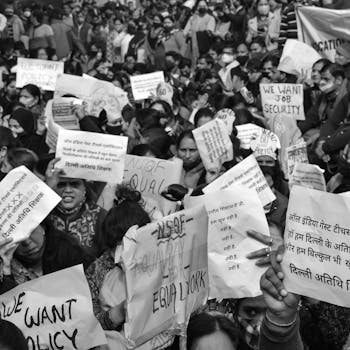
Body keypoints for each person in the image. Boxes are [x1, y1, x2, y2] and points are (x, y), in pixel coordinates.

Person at [86, 185, 150, 330]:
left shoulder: (163, 259)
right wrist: (119, 312)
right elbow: (90, 325)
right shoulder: (97, 270)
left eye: (132, 244)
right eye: (119, 246)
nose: (125, 253)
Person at [46, 160, 107, 258]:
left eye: (74, 184)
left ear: (85, 188)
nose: (68, 190)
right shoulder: (44, 214)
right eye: (61, 185)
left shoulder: (100, 216)